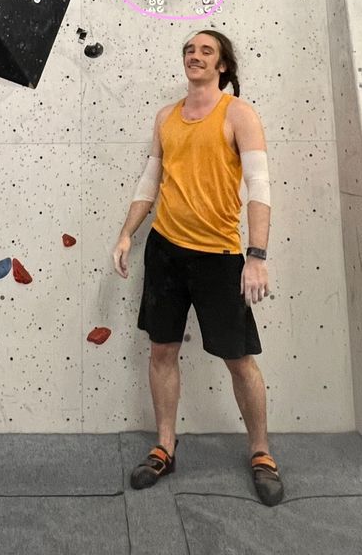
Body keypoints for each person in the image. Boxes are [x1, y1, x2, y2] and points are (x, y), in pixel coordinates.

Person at [112, 30, 284, 506]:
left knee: (238, 358)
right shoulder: (166, 116)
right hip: (166, 251)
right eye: (190, 50)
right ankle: (164, 446)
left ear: (223, 65)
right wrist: (128, 231)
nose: (196, 56)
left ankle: (261, 452)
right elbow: (152, 177)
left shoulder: (239, 114)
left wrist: (258, 256)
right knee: (161, 351)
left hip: (220, 257)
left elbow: (260, 188)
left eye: (206, 51)